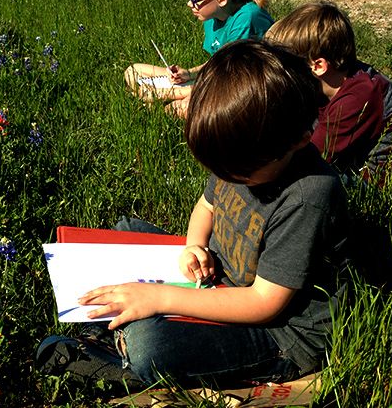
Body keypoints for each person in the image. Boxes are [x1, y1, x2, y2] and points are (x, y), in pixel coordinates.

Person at [36, 40, 350, 392]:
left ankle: (117, 356)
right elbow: (206, 206)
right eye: (221, 170)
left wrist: (161, 298)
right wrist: (195, 245)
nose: (228, 178)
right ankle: (118, 320)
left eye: (239, 173)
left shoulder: (309, 196)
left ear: (297, 141)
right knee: (125, 230)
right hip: (217, 275)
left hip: (279, 332)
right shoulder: (241, 152)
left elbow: (264, 303)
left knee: (150, 347)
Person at [265, 1, 392, 183]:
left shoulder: (356, 99)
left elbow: (311, 157)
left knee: (307, 180)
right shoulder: (329, 83)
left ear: (318, 66)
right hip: (356, 157)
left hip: (383, 180)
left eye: (287, 68)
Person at [124, 0, 274, 118]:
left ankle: (153, 96)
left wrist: (175, 92)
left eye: (195, 0)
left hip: (245, 89)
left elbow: (234, 78)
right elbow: (219, 62)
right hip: (219, 77)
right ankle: (151, 95)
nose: (190, 4)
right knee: (133, 70)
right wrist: (188, 73)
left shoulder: (248, 18)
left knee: (177, 108)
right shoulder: (212, 15)